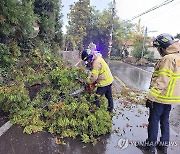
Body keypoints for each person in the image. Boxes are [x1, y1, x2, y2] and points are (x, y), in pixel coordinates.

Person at [143, 33, 180, 154]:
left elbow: (162, 80)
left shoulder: (167, 59)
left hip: (161, 97)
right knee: (165, 120)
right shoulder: (177, 57)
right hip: (170, 98)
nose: (158, 51)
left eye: (159, 48)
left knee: (153, 120)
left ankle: (150, 146)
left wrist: (151, 98)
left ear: (163, 47)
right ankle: (163, 146)